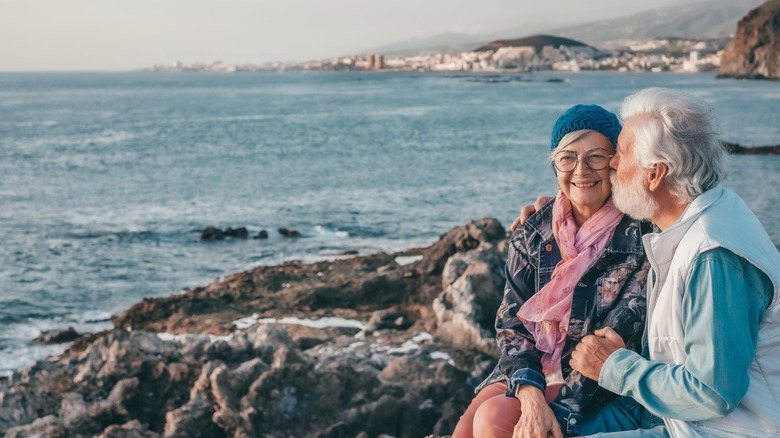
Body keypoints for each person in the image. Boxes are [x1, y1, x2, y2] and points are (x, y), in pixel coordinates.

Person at [520, 88, 780, 438]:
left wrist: (615, 367)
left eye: (621, 154)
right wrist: (553, 212)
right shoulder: (689, 219)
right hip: (668, 415)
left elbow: (712, 392)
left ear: (655, 175)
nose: (611, 163)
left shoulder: (713, 257)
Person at [452, 104, 651, 438]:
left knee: (493, 420)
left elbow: (610, 343)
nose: (581, 170)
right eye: (567, 157)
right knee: (466, 429)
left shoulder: (640, 235)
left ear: (616, 161)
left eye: (597, 156)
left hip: (592, 385)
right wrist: (531, 396)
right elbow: (513, 327)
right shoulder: (534, 231)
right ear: (555, 164)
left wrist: (553, 412)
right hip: (530, 369)